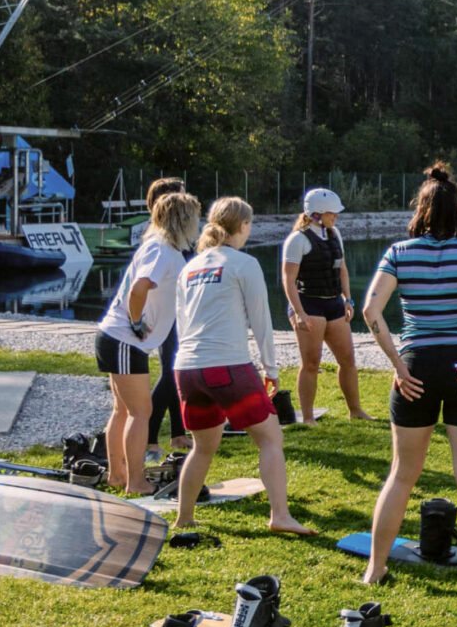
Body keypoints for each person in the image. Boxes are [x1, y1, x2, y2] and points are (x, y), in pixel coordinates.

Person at [358, 163, 457, 588]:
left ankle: (375, 568)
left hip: (417, 368)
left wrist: (398, 364)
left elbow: (371, 312)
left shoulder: (398, 253)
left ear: (420, 210)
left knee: (401, 474)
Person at [170, 196, 313, 535]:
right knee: (270, 439)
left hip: (187, 368)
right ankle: (280, 515)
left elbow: (181, 323)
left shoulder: (189, 267)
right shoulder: (244, 264)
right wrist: (271, 370)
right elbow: (261, 321)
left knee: (203, 447)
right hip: (227, 365)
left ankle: (184, 517)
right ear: (244, 226)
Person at [91, 190, 200, 494]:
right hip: (125, 339)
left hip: (116, 338)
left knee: (123, 411)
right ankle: (136, 482)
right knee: (141, 412)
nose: (197, 224)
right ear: (182, 220)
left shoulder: (159, 246)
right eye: (194, 218)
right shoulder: (163, 250)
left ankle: (117, 475)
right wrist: (137, 323)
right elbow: (139, 288)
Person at [279, 187, 370, 422]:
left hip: (333, 303)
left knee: (347, 359)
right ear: (317, 214)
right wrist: (299, 313)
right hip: (308, 304)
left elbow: (342, 269)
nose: (336, 216)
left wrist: (347, 299)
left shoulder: (334, 234)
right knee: (311, 363)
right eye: (332, 213)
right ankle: (308, 418)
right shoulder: (297, 240)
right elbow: (288, 280)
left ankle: (356, 410)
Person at [141, 177, 192, 455]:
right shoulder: (164, 240)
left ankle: (178, 433)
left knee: (175, 370)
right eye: (182, 195)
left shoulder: (172, 235)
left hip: (177, 312)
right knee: (171, 372)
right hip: (169, 314)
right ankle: (149, 437)